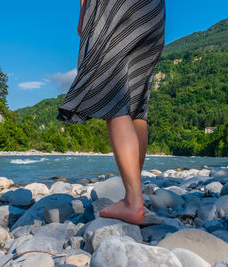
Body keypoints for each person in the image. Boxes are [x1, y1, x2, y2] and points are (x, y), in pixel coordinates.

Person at [56, 0, 166, 224]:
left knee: (112, 96)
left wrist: (83, 13)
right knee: (137, 105)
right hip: (153, 10)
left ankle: (133, 202)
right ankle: (135, 195)